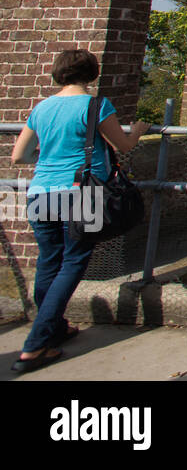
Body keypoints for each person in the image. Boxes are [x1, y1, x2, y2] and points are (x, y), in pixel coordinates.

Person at [8, 48, 149, 374]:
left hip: (40, 192)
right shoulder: (96, 105)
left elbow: (19, 156)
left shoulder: (42, 108)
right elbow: (123, 147)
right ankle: (35, 345)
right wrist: (139, 130)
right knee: (72, 263)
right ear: (92, 73)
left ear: (59, 73)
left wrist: (48, 164)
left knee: (48, 262)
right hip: (80, 193)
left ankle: (54, 329)